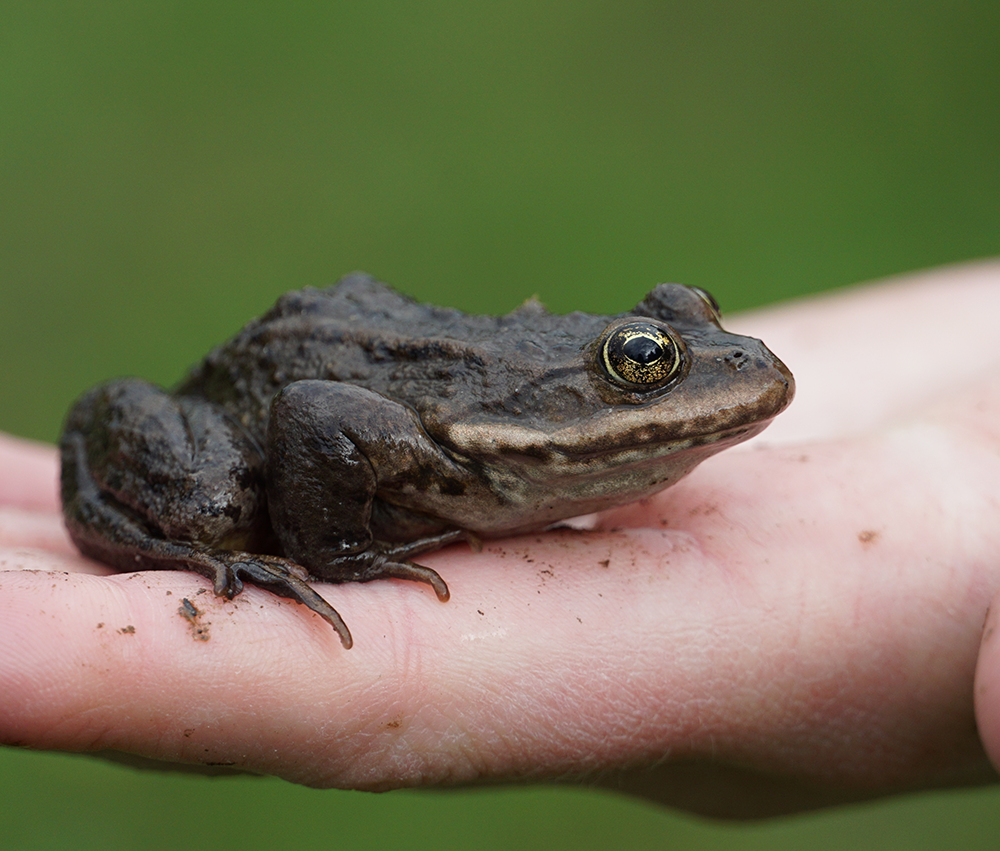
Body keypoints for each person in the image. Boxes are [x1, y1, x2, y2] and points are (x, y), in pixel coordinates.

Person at [2, 260, 999, 818]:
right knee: (212, 502)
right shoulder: (435, 435)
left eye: (679, 336)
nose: (726, 361)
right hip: (238, 419)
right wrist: (341, 554)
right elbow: (312, 413)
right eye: (644, 361)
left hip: (351, 370)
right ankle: (235, 542)